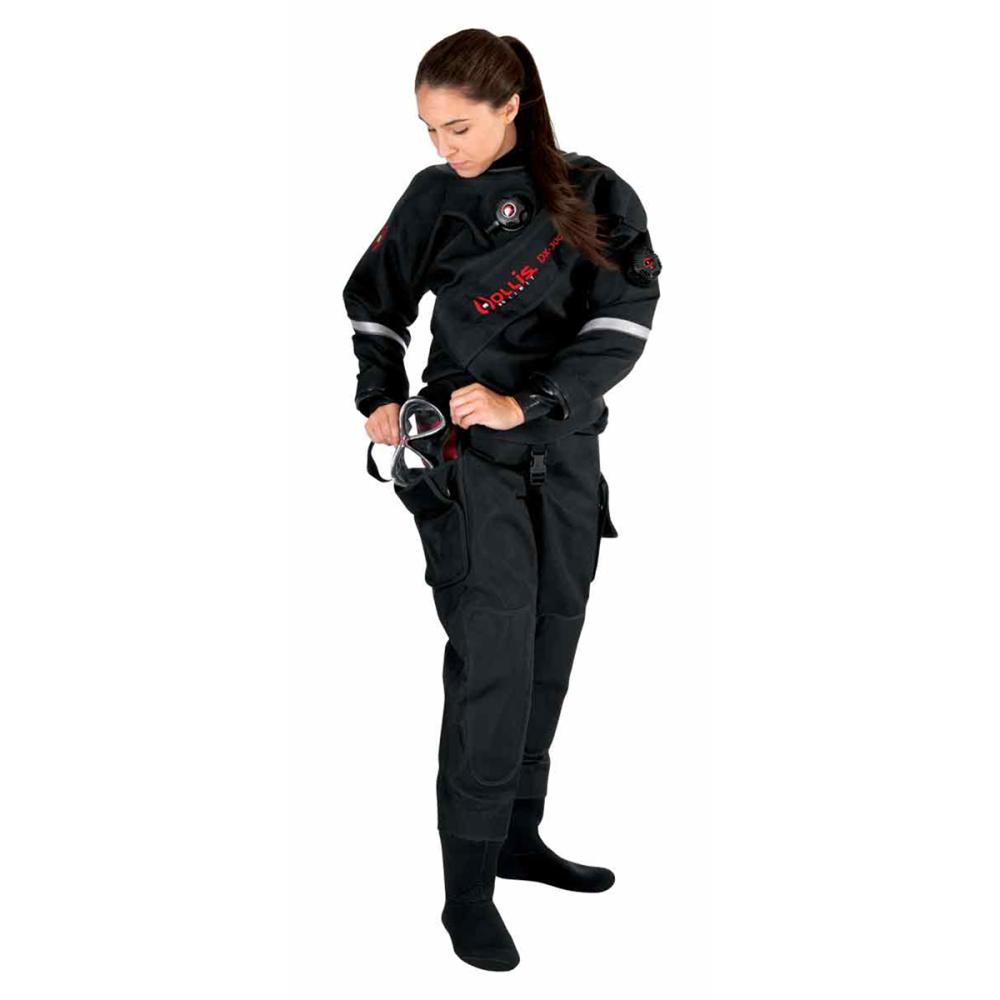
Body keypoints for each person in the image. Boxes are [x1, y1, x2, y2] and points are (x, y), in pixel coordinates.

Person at [343, 29, 661, 972]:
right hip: (468, 467)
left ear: (512, 104)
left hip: (565, 460)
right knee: (493, 663)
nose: (446, 148)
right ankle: (467, 891)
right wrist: (380, 395)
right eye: (429, 130)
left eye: (460, 127)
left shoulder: (596, 192)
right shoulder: (434, 198)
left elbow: (624, 318)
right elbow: (373, 303)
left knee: (551, 648)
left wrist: (539, 401)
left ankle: (520, 839)